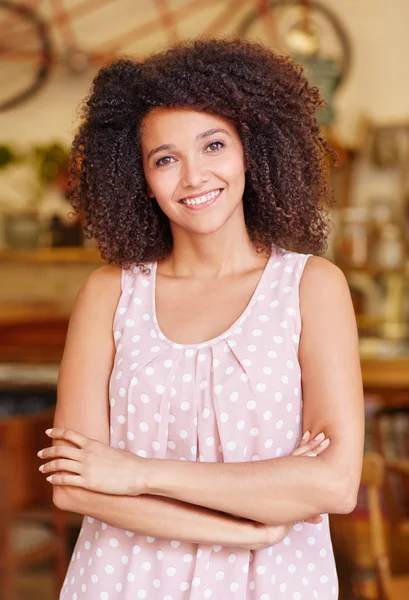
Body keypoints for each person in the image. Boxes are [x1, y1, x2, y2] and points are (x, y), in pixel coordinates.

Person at [38, 38, 364, 599]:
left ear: (252, 152)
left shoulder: (312, 288)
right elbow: (75, 488)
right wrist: (253, 524)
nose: (193, 177)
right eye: (165, 158)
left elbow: (334, 484)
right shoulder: (108, 294)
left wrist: (136, 472)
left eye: (214, 145)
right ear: (137, 176)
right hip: (121, 582)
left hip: (273, 586)